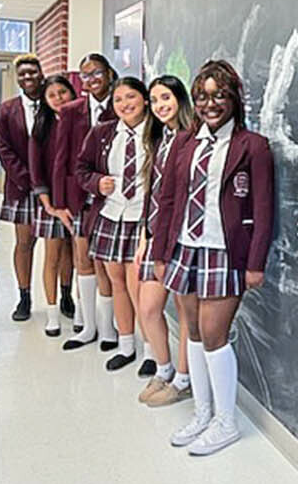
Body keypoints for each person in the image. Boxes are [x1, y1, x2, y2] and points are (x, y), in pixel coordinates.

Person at [151, 59, 275, 455]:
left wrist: (255, 263)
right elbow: (168, 200)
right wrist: (160, 252)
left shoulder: (252, 146)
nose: (210, 104)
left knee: (214, 336)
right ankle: (203, 413)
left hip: (225, 250)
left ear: (234, 98)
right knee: (193, 331)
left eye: (219, 95)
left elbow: (264, 207)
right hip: (185, 248)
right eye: (202, 97)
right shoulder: (185, 142)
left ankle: (227, 422)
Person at [35, 54, 125, 352]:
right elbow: (61, 159)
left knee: (106, 265)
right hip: (79, 197)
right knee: (82, 259)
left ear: (109, 73)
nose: (92, 79)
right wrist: (60, 204)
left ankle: (108, 328)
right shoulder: (72, 111)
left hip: (113, 195)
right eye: (85, 76)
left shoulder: (122, 104)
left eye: (97, 72)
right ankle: (88, 326)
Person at [76, 76, 150, 373]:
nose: (124, 104)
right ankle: (126, 345)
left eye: (131, 97)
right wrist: (97, 182)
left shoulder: (158, 133)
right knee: (117, 281)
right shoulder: (102, 132)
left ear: (144, 99)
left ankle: (151, 351)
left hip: (141, 218)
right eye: (118, 99)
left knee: (139, 287)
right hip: (111, 214)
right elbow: (81, 168)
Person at [133, 75, 199, 406]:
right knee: (148, 308)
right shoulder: (159, 139)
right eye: (155, 100)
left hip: (180, 237)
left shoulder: (193, 138)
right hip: (155, 236)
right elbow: (153, 192)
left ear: (180, 99)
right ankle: (164, 369)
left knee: (186, 313)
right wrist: (144, 235)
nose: (160, 105)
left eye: (166, 98)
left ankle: (184, 380)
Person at [0, 53, 44, 321]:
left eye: (32, 72)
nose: (28, 77)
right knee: (24, 243)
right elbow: (4, 150)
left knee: (60, 246)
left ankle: (65, 296)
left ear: (41, 73)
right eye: (22, 74)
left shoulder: (52, 103)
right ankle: (24, 297)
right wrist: (28, 180)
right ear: (17, 78)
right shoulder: (6, 109)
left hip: (52, 187)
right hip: (22, 187)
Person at [27, 74, 79, 337]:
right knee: (52, 256)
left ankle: (68, 297)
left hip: (77, 201)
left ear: (72, 92)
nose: (59, 98)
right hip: (51, 203)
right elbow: (36, 170)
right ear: (45, 101)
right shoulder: (42, 128)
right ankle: (51, 313)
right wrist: (49, 206)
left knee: (74, 255)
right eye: (52, 95)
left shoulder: (82, 122)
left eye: (63, 92)